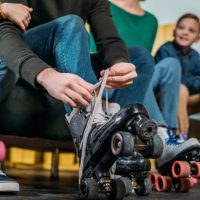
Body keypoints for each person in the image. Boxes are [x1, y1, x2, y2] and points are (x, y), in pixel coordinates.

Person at [0, 0, 156, 192]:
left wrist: (118, 62)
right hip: (22, 64)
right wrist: (45, 74)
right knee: (72, 24)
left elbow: (109, 39)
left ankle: (118, 149)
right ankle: (94, 131)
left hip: (65, 57)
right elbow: (4, 33)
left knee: (140, 58)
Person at [90, 0, 200, 170]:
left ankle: (169, 135)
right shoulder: (103, 6)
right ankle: (163, 136)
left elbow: (147, 64)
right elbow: (95, 52)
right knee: (139, 69)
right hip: (109, 76)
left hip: (137, 76)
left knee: (170, 64)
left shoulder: (151, 21)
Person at [155, 13, 200, 141]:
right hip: (163, 94)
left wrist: (194, 82)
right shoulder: (166, 50)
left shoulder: (195, 56)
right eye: (181, 28)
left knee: (184, 90)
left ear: (197, 38)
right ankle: (180, 135)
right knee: (181, 89)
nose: (185, 32)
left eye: (191, 30)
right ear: (174, 32)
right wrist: (194, 82)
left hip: (187, 97)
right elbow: (171, 82)